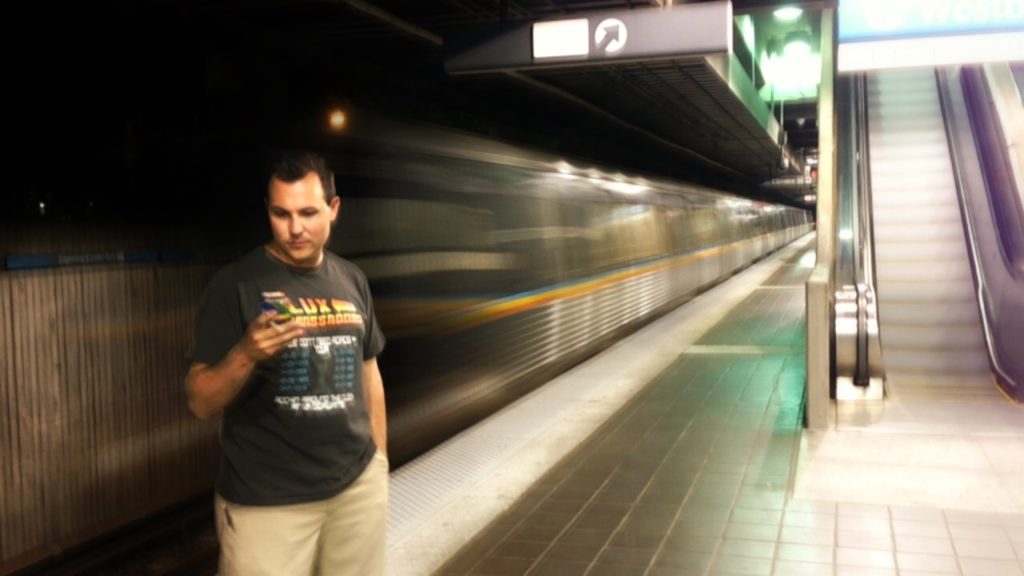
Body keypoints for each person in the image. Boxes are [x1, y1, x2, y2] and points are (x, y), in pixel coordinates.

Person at [185, 151, 388, 575]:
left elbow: (369, 375)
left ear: (334, 210)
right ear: (268, 211)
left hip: (356, 492)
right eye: (281, 214)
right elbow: (200, 402)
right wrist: (246, 353)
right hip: (267, 503)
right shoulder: (234, 286)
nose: (295, 228)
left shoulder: (351, 280)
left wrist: (379, 463)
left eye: (308, 213)